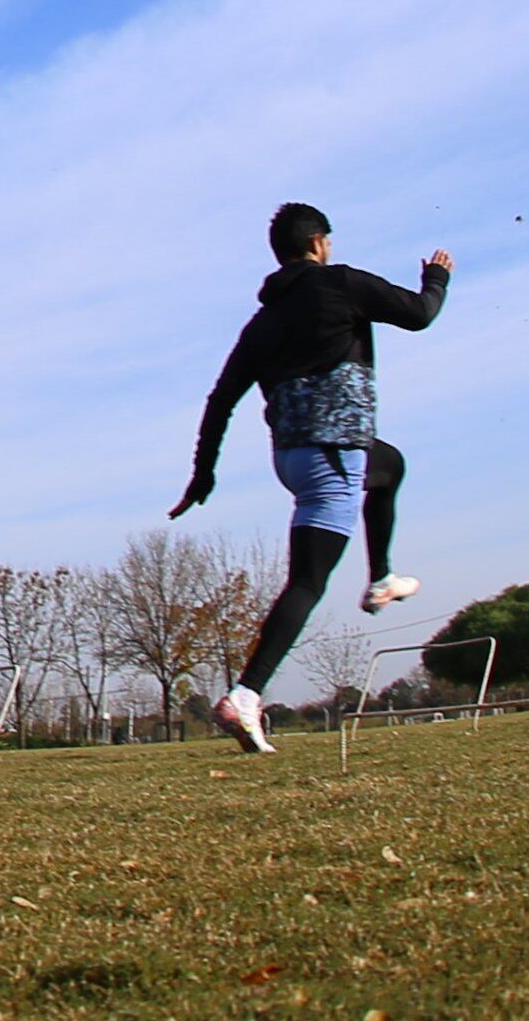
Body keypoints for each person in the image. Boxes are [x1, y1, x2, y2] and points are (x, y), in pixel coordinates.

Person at [169, 202, 452, 755]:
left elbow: (220, 401)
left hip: (294, 458)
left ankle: (381, 578)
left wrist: (204, 474)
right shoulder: (341, 284)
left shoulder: (262, 322)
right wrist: (436, 278)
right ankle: (246, 695)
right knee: (307, 582)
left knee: (389, 466)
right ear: (320, 243)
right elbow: (419, 314)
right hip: (333, 456)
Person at [359, 439, 419, 615]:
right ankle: (380, 578)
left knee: (306, 583)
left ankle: (381, 578)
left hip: (285, 452)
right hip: (322, 446)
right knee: (392, 464)